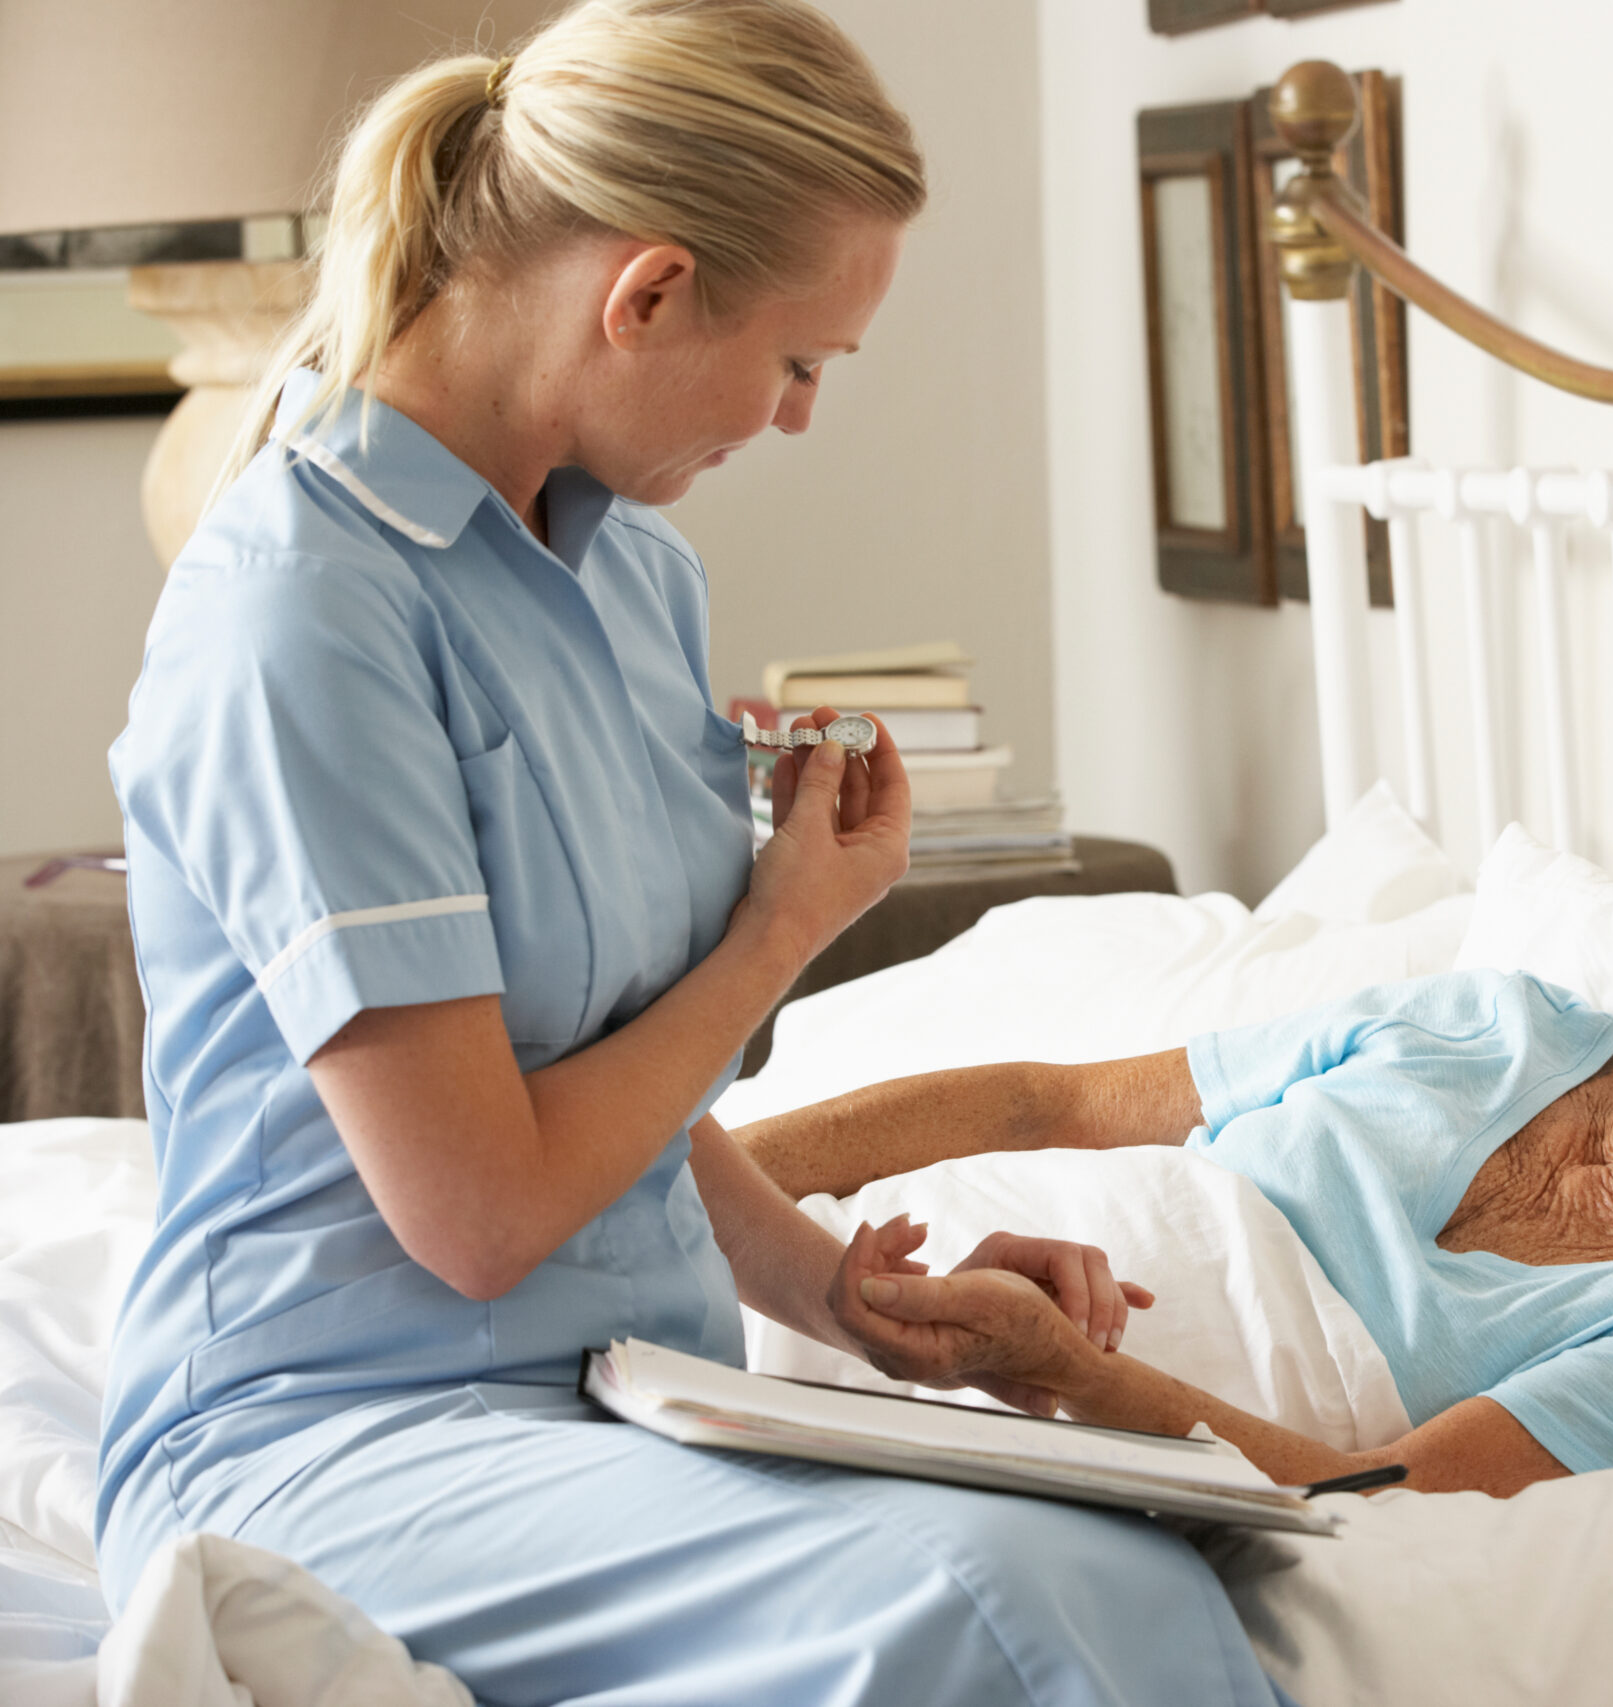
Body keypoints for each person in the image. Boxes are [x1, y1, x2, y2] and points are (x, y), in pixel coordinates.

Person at [98, 5, 1285, 1703]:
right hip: (333, 1434)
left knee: (1130, 1558)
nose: (798, 417)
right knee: (986, 1605)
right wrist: (779, 932)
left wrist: (837, 1293)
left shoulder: (633, 580)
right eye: (803, 363)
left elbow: (603, 1073)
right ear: (644, 292)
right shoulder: (300, 615)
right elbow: (485, 1212)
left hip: (630, 1392)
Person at [739, 779, 1613, 1497]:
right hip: (835, 1260)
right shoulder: (1488, 1019)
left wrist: (1063, 1372)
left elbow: (1366, 1497)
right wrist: (719, 1183)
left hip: (1026, 1379)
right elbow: (1040, 1105)